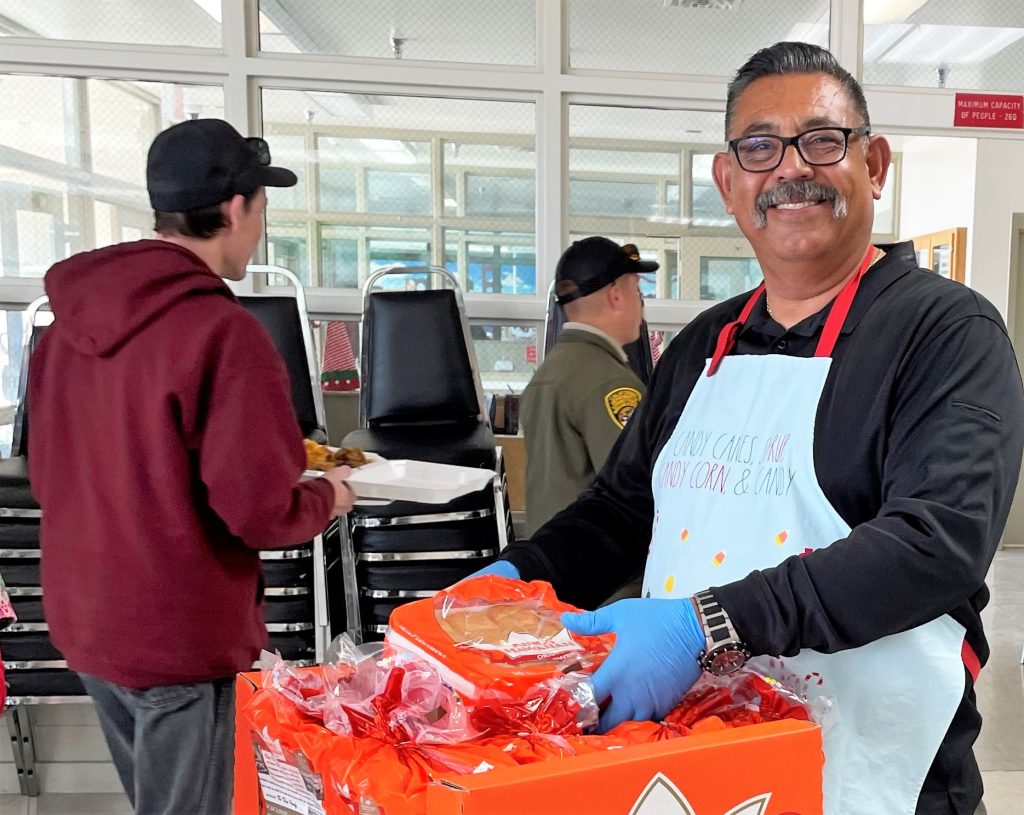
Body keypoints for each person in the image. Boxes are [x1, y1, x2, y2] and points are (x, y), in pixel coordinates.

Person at [484, 42, 1024, 815]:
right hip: (703, 770)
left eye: (822, 140)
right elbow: (622, 511)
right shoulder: (704, 345)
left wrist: (707, 626)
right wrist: (517, 577)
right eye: (760, 147)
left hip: (877, 778)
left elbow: (934, 542)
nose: (790, 169)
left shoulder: (946, 331)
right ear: (728, 181)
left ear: (873, 163)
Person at [27, 118, 356, 815]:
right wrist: (327, 497)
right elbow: (258, 509)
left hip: (88, 617)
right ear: (235, 207)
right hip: (172, 629)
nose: (261, 229)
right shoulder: (221, 331)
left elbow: (47, 466)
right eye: (262, 210)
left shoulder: (66, 325)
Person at [520, 237, 653, 538]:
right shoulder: (612, 384)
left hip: (552, 564)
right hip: (603, 578)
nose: (641, 303)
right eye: (637, 290)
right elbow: (634, 492)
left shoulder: (549, 373)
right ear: (616, 296)